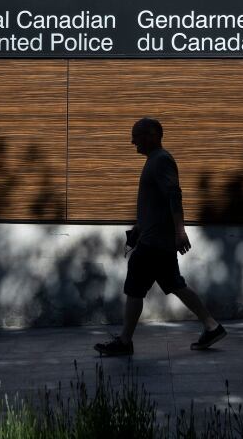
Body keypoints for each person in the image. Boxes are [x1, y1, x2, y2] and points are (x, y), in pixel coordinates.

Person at [94, 117, 226, 356]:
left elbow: (174, 196)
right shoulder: (154, 161)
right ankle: (211, 325)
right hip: (154, 238)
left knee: (135, 285)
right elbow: (155, 205)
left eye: (137, 135)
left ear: (153, 134)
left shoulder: (161, 160)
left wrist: (180, 231)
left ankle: (125, 342)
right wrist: (138, 228)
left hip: (155, 242)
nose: (132, 140)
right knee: (175, 284)